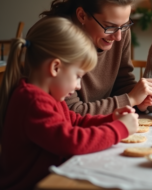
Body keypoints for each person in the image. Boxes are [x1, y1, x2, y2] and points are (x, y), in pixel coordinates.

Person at [0, 17, 139, 190]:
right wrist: (120, 128)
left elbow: (75, 122)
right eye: (78, 76)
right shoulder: (33, 102)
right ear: (55, 67)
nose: (78, 85)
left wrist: (111, 118)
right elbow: (71, 142)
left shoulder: (48, 97)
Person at [39, 0, 152, 116]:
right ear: (82, 15)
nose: (118, 37)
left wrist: (138, 100)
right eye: (110, 26)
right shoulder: (57, 37)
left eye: (124, 26)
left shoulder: (120, 31)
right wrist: (130, 99)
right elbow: (72, 113)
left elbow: (122, 82)